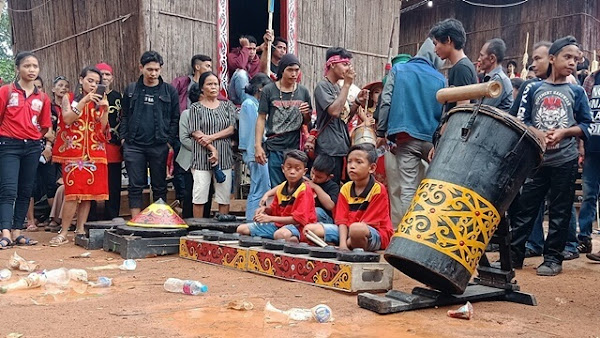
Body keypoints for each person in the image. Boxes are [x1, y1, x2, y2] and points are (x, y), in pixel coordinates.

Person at [510, 36, 592, 276]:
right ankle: (514, 256)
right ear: (553, 58)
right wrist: (538, 133)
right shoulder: (533, 88)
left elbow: (586, 124)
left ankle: (553, 259)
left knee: (560, 211)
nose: (572, 63)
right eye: (567, 57)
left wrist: (566, 132)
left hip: (564, 161)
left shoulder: (577, 92)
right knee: (526, 209)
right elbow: (521, 120)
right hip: (537, 160)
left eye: (576, 59)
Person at [376, 38, 446, 227]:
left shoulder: (399, 70)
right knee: (431, 189)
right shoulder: (441, 78)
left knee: (407, 189)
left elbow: (386, 101)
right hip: (432, 141)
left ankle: (409, 233)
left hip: (405, 138)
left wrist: (381, 131)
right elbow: (445, 113)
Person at [49, 66, 110, 246]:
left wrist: (105, 110)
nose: (93, 85)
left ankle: (80, 229)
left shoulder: (99, 101)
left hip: (93, 153)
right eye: (90, 81)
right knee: (72, 194)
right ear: (80, 79)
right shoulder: (69, 98)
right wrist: (84, 101)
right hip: (73, 152)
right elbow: (67, 118)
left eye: (97, 82)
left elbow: (102, 127)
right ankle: (64, 231)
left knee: (88, 194)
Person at [0, 51, 51, 248]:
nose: (31, 70)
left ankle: (18, 232)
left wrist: (35, 138)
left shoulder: (43, 97)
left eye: (35, 66)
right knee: (8, 189)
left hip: (32, 146)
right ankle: (5, 232)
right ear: (17, 68)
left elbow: (45, 125)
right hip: (8, 145)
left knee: (25, 190)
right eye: (27, 66)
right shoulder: (6, 91)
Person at [120, 51, 180, 217]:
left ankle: (158, 220)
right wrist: (124, 138)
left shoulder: (169, 91)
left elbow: (175, 118)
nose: (153, 73)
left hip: (159, 145)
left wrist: (168, 141)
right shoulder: (131, 90)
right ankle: (135, 220)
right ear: (141, 68)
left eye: (156, 69)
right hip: (134, 145)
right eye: (149, 69)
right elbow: (124, 115)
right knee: (135, 185)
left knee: (159, 185)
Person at [312, 47, 369, 184]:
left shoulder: (337, 87)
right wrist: (347, 85)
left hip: (340, 147)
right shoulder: (323, 86)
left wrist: (356, 102)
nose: (348, 68)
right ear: (332, 64)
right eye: (345, 64)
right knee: (329, 186)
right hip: (328, 148)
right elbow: (334, 111)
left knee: (338, 186)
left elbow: (344, 118)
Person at [255, 54, 312, 187]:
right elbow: (261, 118)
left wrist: (306, 113)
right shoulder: (269, 90)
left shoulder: (303, 91)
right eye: (290, 70)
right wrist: (258, 146)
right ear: (282, 70)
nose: (294, 74)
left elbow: (306, 122)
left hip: (295, 146)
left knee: (295, 186)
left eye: (296, 70)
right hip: (275, 146)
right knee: (277, 187)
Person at [325, 144, 394, 251]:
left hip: (374, 233)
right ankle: (347, 244)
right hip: (349, 230)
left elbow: (367, 223)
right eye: (349, 162)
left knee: (357, 230)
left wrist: (345, 244)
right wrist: (343, 244)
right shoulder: (345, 188)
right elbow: (342, 220)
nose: (352, 166)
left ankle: (345, 244)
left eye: (359, 162)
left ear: (371, 168)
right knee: (311, 229)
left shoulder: (377, 189)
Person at [237, 150, 317, 242]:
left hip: (299, 228)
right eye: (289, 167)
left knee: (280, 235)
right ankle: (287, 239)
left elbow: (298, 220)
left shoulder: (304, 190)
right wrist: (264, 210)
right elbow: (274, 211)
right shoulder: (281, 188)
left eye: (297, 169)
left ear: (304, 171)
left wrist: (269, 218)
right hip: (279, 225)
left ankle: (295, 239)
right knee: (242, 229)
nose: (292, 172)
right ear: (283, 168)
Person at [188, 72, 236, 220]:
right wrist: (212, 148)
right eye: (209, 84)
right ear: (202, 88)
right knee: (200, 194)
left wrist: (211, 137)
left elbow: (231, 128)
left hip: (224, 157)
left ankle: (223, 227)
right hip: (201, 157)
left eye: (216, 83)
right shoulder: (196, 108)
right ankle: (198, 227)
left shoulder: (227, 105)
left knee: (223, 195)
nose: (213, 87)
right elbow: (195, 132)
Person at [239, 73, 272, 221]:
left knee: (260, 186)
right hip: (256, 151)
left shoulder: (253, 103)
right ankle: (251, 221)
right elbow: (256, 129)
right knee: (259, 187)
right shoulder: (250, 104)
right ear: (260, 89)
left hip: (256, 150)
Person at [95, 62, 123, 220]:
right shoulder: (88, 97)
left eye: (107, 74)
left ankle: (113, 216)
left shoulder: (118, 97)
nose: (104, 77)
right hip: (93, 146)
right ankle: (92, 218)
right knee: (94, 181)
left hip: (112, 146)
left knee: (113, 183)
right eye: (101, 74)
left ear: (112, 78)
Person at [579, 67, 600, 258]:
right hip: (592, 146)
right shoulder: (591, 79)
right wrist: (582, 146)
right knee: (588, 195)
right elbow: (583, 115)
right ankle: (584, 240)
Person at [477, 38, 513, 111]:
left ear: (492, 58)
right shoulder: (492, 78)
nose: (479, 59)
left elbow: (482, 111)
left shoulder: (498, 81)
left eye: (481, 55)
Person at [228, 35, 261, 105]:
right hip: (235, 95)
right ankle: (249, 104)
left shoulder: (258, 61)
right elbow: (241, 65)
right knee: (241, 73)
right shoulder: (232, 56)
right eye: (249, 49)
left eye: (254, 49)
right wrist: (245, 48)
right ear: (241, 49)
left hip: (253, 95)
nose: (252, 52)